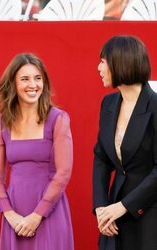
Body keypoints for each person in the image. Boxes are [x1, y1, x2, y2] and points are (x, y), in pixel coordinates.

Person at [0, 53, 74, 250]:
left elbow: (63, 174)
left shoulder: (58, 119)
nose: (32, 85)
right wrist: (9, 213)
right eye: (24, 79)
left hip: (49, 212)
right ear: (13, 84)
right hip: (14, 214)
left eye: (37, 78)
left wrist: (38, 215)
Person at [93, 35, 157, 250]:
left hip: (149, 213)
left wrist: (123, 207)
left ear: (120, 62)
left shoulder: (155, 106)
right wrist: (102, 208)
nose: (98, 67)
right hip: (113, 217)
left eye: (103, 61)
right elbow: (101, 158)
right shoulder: (108, 103)